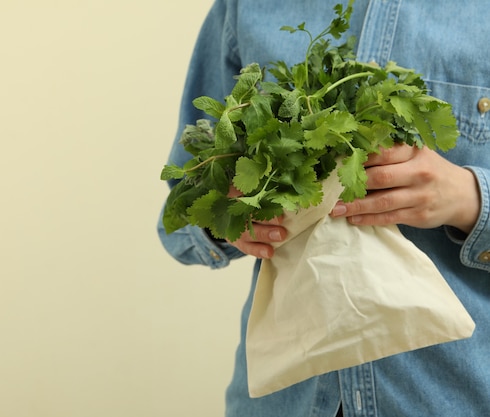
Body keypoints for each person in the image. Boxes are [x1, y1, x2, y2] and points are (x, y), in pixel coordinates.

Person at [158, 0, 490, 416]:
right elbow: (178, 214)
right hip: (283, 402)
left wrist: (471, 198)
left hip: (456, 396)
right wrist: (224, 217)